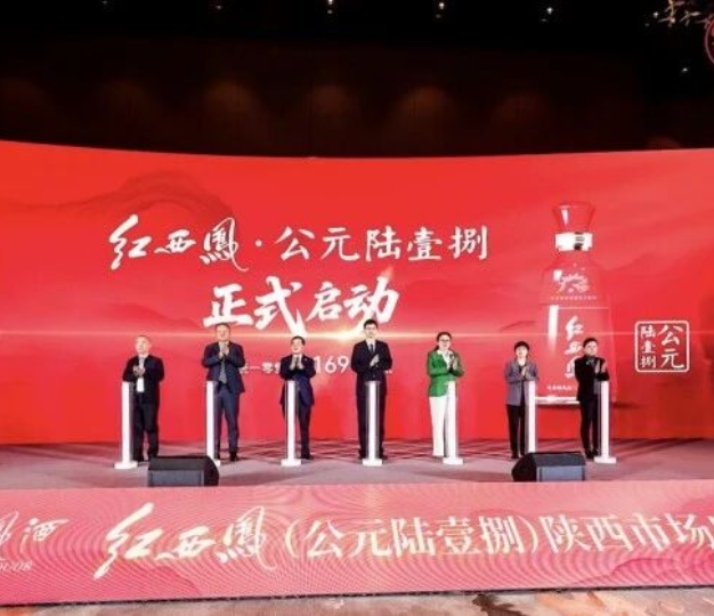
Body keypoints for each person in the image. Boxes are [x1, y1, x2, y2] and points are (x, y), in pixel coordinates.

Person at [201, 323, 246, 462]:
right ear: (216, 333)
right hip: (215, 389)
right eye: (219, 331)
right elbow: (205, 362)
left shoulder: (237, 347)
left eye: (224, 331)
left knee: (232, 421)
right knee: (214, 422)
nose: (222, 333)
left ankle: (233, 451)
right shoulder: (210, 347)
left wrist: (228, 354)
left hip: (231, 389)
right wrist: (219, 356)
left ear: (229, 332)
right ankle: (215, 451)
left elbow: (241, 362)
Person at [350, 319, 393, 460]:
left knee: (379, 419)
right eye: (368, 328)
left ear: (377, 330)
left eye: (373, 328)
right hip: (363, 388)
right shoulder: (358, 347)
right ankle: (364, 450)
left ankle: (378, 450)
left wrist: (377, 365)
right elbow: (354, 366)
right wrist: (370, 364)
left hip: (379, 387)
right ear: (364, 330)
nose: (371, 331)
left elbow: (388, 363)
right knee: (364, 419)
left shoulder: (383, 346)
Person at [122, 335, 165, 463]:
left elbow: (160, 376)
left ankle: (153, 455)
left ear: (149, 345)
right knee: (137, 427)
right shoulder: (131, 361)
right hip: (135, 398)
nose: (140, 345)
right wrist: (136, 374)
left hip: (150, 399)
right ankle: (137, 455)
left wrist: (145, 372)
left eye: (143, 342)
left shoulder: (156, 361)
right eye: (137, 343)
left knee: (151, 426)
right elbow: (125, 377)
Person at [426, 332, 465, 458]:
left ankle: (450, 448)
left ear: (450, 342)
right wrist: (447, 367)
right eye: (442, 340)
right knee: (438, 421)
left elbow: (460, 372)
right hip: (438, 390)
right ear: (437, 342)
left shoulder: (455, 355)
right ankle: (438, 451)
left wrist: (455, 368)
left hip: (452, 389)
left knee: (451, 420)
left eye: (447, 340)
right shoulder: (432, 355)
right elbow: (431, 371)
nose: (445, 342)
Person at [279, 336, 317, 460]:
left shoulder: (308, 360)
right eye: (293, 344)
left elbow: (311, 373)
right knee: (289, 425)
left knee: (304, 426)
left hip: (304, 397)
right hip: (288, 397)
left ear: (303, 346)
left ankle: (305, 452)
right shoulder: (285, 360)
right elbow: (282, 374)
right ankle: (290, 452)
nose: (295, 346)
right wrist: (290, 368)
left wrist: (302, 367)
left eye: (298, 343)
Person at [574, 337, 610, 460]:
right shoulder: (579, 362)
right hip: (586, 397)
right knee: (587, 421)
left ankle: (597, 447)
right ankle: (587, 448)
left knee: (598, 423)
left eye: (594, 346)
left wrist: (602, 372)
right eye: (589, 346)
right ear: (584, 349)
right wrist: (594, 371)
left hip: (599, 397)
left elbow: (605, 378)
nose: (592, 349)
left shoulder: (601, 361)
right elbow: (581, 378)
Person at [503, 341, 539, 460]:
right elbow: (507, 378)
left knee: (525, 427)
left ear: (527, 351)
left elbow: (536, 378)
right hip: (513, 400)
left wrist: (526, 375)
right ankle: (514, 451)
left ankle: (524, 451)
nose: (521, 351)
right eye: (518, 349)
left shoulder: (532, 364)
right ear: (515, 351)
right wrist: (520, 375)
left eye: (523, 349)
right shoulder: (510, 364)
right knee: (514, 426)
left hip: (527, 401)